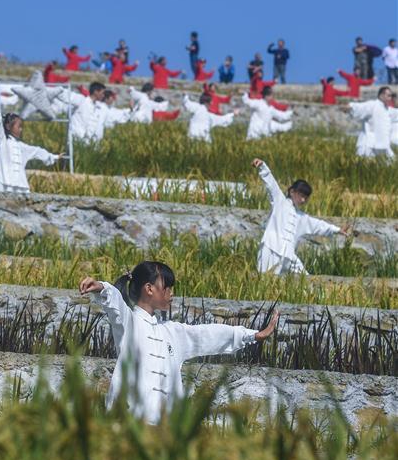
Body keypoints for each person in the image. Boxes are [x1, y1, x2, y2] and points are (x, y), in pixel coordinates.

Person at [78, 261, 278, 424]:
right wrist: (101, 288)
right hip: (128, 424)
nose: (171, 293)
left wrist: (252, 335)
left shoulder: (172, 332)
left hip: (164, 429)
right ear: (149, 289)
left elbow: (207, 334)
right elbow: (115, 305)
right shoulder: (129, 323)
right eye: (167, 287)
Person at [253, 158, 349, 274]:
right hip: (270, 249)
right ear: (292, 192)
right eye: (301, 195)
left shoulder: (302, 217)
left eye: (306, 197)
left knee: (305, 280)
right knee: (264, 280)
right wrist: (262, 166)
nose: (303, 200)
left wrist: (338, 230)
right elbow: (271, 184)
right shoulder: (280, 201)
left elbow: (319, 225)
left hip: (288, 255)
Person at [0, 102, 63, 193]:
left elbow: (37, 151)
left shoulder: (22, 147)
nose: (21, 129)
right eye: (19, 127)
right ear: (8, 126)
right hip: (3, 183)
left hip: (20, 184)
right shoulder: (2, 142)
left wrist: (53, 157)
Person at [347, 86, 398, 158]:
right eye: (388, 96)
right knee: (365, 165)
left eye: (391, 96)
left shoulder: (388, 110)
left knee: (391, 161)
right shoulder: (372, 105)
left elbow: (396, 113)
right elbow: (360, 107)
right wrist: (350, 107)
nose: (390, 98)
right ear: (381, 95)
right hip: (369, 144)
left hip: (382, 145)